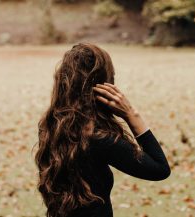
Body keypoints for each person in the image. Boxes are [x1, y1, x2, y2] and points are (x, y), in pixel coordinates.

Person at [34, 43, 171, 217]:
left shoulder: (49, 125)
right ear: (104, 85)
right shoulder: (98, 138)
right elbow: (160, 169)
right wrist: (131, 115)